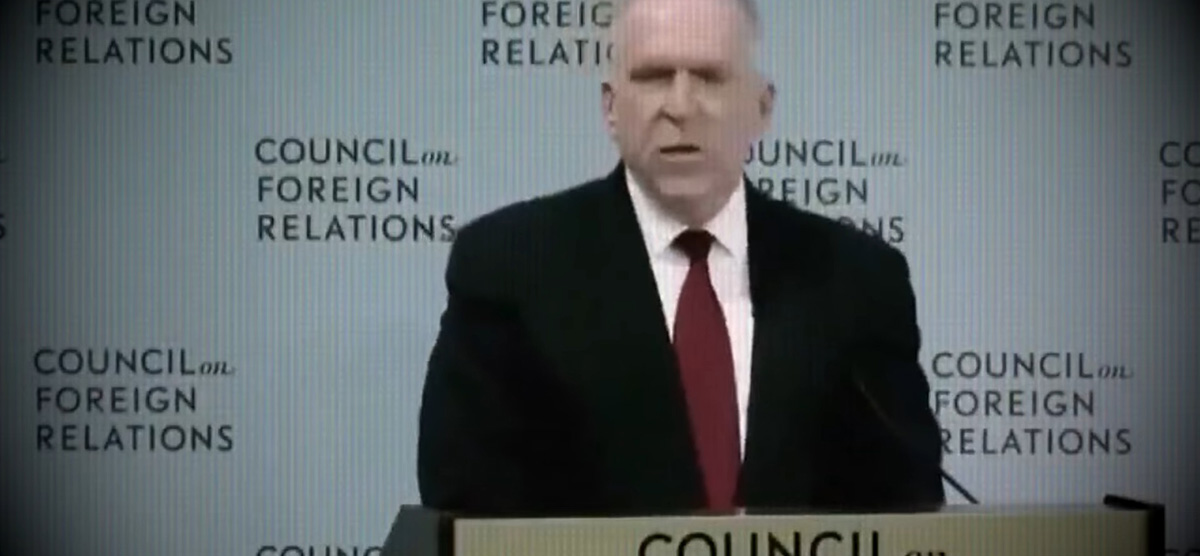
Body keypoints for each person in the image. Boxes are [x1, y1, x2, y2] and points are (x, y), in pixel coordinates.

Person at [416, 0, 945, 515]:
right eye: (653, 77)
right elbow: (466, 504)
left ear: (762, 108)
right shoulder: (512, 265)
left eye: (710, 77)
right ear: (610, 108)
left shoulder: (855, 277)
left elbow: (905, 503)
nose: (680, 106)